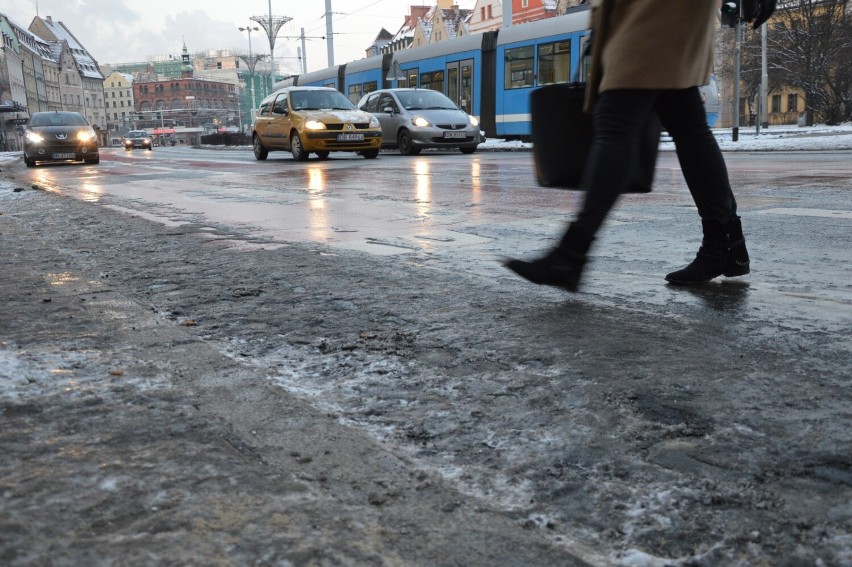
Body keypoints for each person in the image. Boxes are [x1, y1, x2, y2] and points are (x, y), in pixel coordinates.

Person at [505, 0, 760, 291]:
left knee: (617, 124)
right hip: (661, 13)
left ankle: (570, 255)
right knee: (689, 129)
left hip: (654, 12)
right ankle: (725, 246)